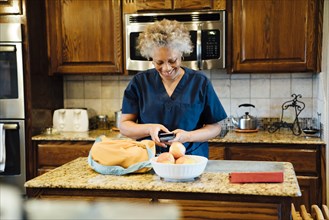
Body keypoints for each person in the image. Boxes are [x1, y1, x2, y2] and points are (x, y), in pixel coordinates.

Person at [119, 19, 227, 158]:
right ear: (151, 58)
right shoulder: (139, 83)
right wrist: (149, 129)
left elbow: (215, 127)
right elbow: (124, 125)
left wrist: (188, 136)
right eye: (159, 62)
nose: (166, 68)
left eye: (172, 61)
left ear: (182, 54)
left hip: (190, 159)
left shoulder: (200, 82)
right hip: (149, 160)